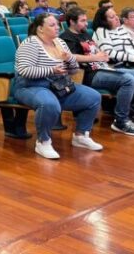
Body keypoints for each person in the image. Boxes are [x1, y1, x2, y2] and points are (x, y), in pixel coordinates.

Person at [13, 14, 103, 159]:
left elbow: (73, 71)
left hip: (58, 85)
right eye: (52, 25)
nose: (57, 28)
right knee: (48, 104)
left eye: (57, 25)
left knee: (93, 97)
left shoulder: (60, 42)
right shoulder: (30, 44)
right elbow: (24, 71)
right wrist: (51, 70)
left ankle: (80, 136)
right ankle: (43, 142)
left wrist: (70, 60)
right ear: (41, 29)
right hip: (30, 86)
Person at [59, 7, 134, 136]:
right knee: (127, 79)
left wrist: (102, 55)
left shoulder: (85, 33)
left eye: (85, 20)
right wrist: (95, 57)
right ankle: (121, 121)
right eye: (82, 21)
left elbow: (94, 50)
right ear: (72, 22)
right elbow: (71, 57)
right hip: (88, 74)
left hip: (103, 67)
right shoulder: (66, 37)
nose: (86, 23)